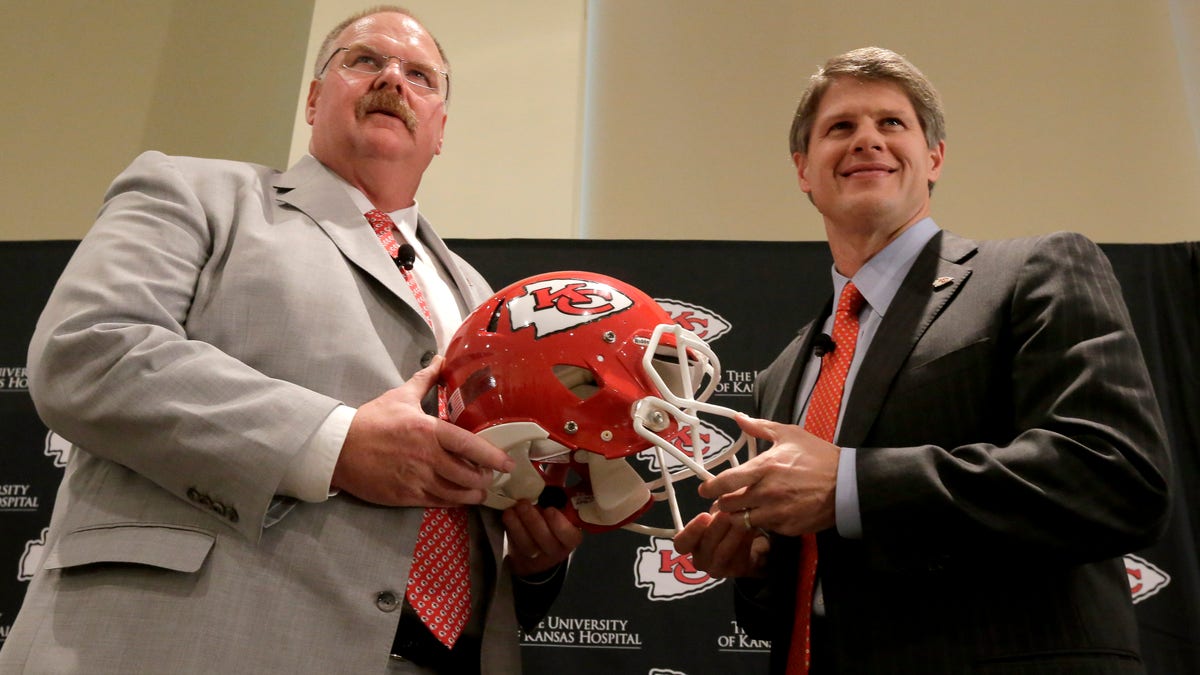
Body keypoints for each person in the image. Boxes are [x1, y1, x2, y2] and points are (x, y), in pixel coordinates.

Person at [0, 6, 581, 674]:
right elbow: (88, 351)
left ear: (441, 128)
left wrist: (533, 560)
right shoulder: (194, 190)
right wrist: (333, 444)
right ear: (313, 97)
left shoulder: (487, 298)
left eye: (421, 75)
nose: (393, 76)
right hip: (191, 643)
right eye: (364, 60)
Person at [675, 47, 1171, 674]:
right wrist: (757, 568)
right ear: (804, 170)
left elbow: (1118, 476)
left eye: (891, 123)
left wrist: (851, 485)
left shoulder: (1032, 273)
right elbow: (798, 604)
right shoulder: (783, 373)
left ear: (933, 158)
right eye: (840, 127)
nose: (866, 141)